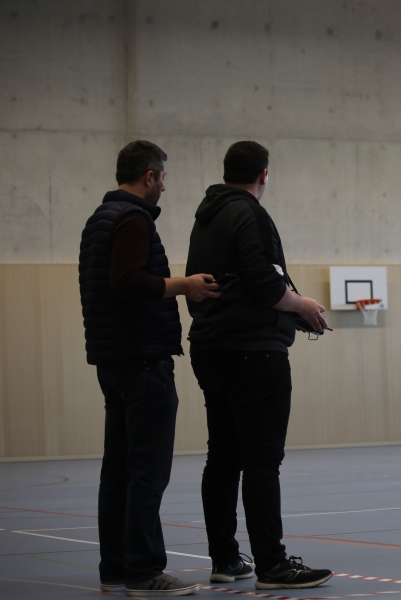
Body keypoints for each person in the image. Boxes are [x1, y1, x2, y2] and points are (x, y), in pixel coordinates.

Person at [185, 141, 332, 590]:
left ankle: (225, 558)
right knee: (262, 461)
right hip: (254, 352)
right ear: (263, 175)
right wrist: (303, 305)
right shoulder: (249, 214)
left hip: (211, 348)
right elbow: (267, 283)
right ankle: (272, 565)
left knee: (223, 457)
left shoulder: (206, 217)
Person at [79, 140, 220, 597]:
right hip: (141, 358)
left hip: (114, 359)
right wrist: (184, 285)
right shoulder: (134, 218)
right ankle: (144, 571)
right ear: (149, 176)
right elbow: (127, 283)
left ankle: (116, 568)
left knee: (119, 470)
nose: (164, 186)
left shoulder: (99, 219)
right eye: (163, 177)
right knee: (147, 470)